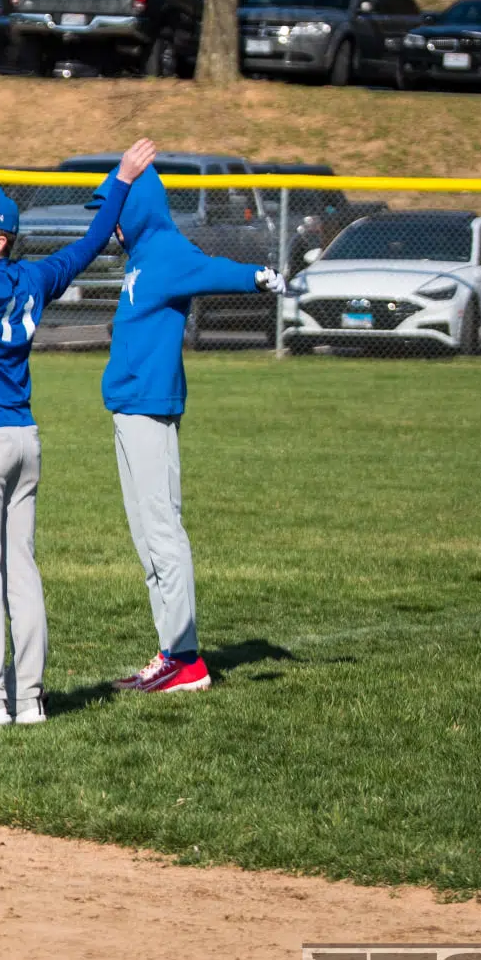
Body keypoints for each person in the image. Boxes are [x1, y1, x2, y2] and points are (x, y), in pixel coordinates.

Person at [0, 134, 149, 729]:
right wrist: (120, 178)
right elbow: (94, 243)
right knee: (21, 568)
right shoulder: (35, 278)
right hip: (25, 438)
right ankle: (30, 697)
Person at [93, 164, 283, 695]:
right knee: (145, 536)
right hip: (129, 407)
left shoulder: (167, 250)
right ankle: (169, 651)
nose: (109, 227)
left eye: (114, 213)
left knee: (163, 531)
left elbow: (211, 269)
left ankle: (188, 660)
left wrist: (256, 277)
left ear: (136, 209)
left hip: (150, 408)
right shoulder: (141, 257)